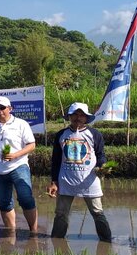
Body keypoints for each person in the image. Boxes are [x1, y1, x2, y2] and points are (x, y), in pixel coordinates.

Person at [47, 102, 112, 243]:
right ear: (69, 116)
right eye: (75, 114)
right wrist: (54, 182)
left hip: (89, 181)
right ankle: (57, 242)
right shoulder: (61, 135)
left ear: (86, 117)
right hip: (66, 180)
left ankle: (106, 242)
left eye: (81, 115)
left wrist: (103, 166)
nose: (78, 117)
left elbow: (100, 155)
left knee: (97, 212)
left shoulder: (94, 134)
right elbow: (56, 160)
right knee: (61, 214)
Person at [0, 96, 38, 233]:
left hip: (18, 166)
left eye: (2, 108)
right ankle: (11, 234)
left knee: (26, 198)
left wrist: (15, 155)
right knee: (4, 203)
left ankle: (34, 232)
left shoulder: (21, 124)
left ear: (10, 108)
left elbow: (32, 145)